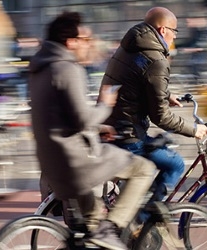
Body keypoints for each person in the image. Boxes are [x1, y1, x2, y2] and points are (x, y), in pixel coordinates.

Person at [28, 11, 156, 250]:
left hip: (51, 165)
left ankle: (94, 236)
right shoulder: (67, 69)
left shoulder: (38, 69)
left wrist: (97, 128)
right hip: (77, 164)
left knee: (90, 223)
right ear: (71, 42)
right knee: (143, 169)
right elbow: (80, 120)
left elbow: (58, 118)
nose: (88, 45)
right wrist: (104, 106)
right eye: (85, 40)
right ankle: (111, 228)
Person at [98, 6, 207, 223]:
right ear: (162, 29)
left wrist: (166, 94)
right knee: (174, 163)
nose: (175, 36)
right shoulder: (157, 60)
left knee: (155, 162)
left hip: (110, 125)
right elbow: (161, 118)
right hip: (128, 134)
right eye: (174, 31)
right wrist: (194, 130)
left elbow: (136, 79)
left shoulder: (130, 45)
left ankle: (140, 211)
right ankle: (144, 219)